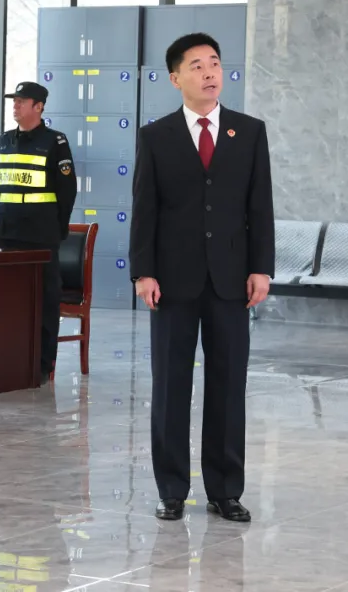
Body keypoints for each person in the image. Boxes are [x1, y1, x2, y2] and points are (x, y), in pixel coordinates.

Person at [129, 32, 274, 523]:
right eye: (197, 65)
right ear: (176, 79)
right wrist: (144, 272)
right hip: (172, 281)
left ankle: (225, 490)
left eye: (214, 62)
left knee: (228, 384)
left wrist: (261, 267)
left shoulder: (249, 132)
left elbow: (260, 207)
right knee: (171, 385)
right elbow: (145, 209)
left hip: (231, 280)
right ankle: (171, 489)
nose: (210, 72)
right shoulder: (156, 136)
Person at [0, 81, 78, 384]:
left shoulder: (55, 142)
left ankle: (42, 364)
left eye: (21, 101)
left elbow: (67, 191)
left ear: (38, 107)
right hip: (5, 234)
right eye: (14, 101)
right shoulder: (2, 141)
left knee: (45, 301)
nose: (15, 106)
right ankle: (5, 360)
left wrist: (57, 229)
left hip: (40, 235)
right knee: (3, 300)